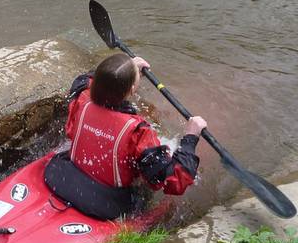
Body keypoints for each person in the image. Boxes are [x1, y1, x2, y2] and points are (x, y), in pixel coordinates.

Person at [44, 52, 205, 220]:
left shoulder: (82, 101)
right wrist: (190, 137)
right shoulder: (138, 131)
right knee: (146, 187)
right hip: (105, 201)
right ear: (131, 89)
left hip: (64, 176)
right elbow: (174, 180)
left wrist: (127, 68)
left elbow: (82, 81)